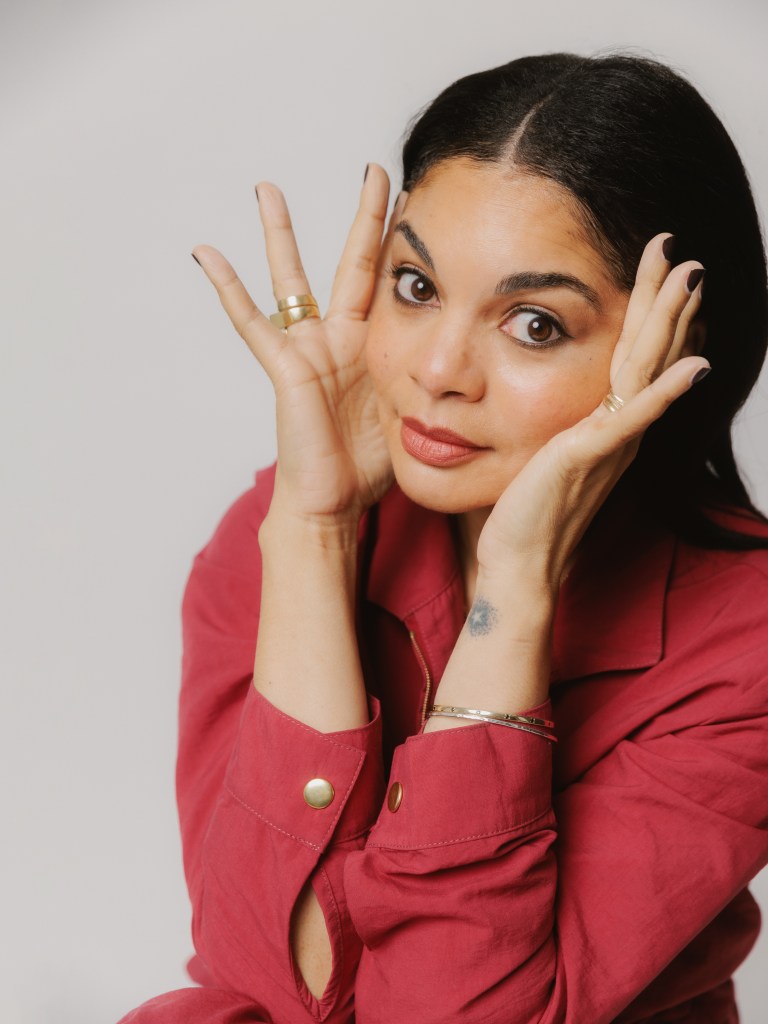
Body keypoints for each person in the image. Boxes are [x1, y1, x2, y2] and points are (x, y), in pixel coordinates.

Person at [119, 52, 768, 1023]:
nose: (437, 370)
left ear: (671, 349)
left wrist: (513, 592)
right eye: (417, 285)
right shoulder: (280, 532)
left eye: (535, 324)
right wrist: (315, 535)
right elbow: (269, 979)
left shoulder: (749, 642)